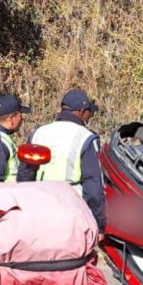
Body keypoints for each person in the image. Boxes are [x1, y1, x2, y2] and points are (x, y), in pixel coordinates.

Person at [19, 89, 107, 234]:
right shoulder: (86, 138)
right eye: (88, 115)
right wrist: (99, 224)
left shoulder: (39, 133)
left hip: (39, 212)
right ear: (81, 111)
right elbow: (93, 186)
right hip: (71, 214)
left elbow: (25, 175)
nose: (88, 119)